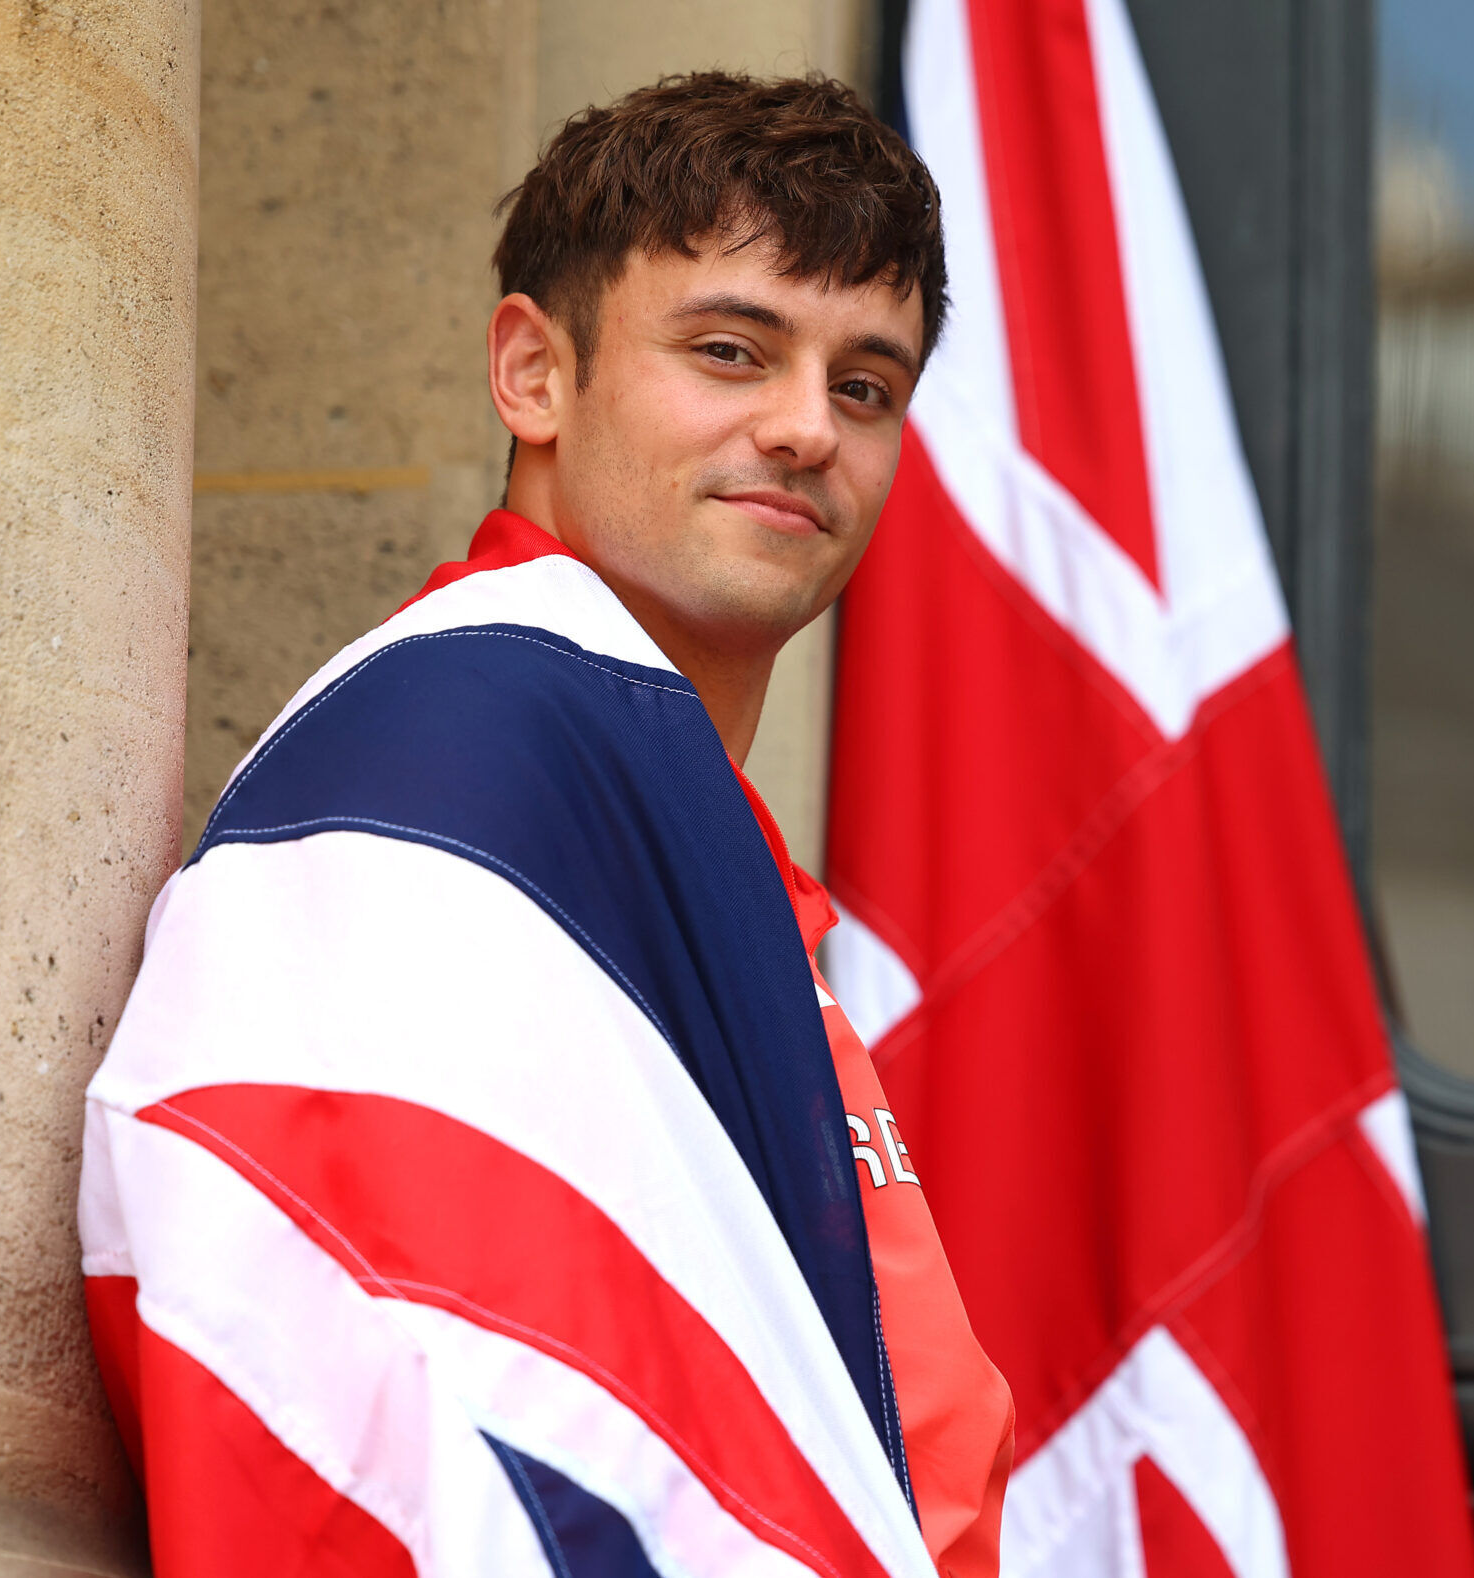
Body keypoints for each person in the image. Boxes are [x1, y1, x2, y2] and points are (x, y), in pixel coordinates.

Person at [77, 71, 1014, 1578]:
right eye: (730, 350)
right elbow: (345, 1423)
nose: (802, 429)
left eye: (865, 386)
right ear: (533, 372)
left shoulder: (666, 836)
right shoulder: (452, 775)